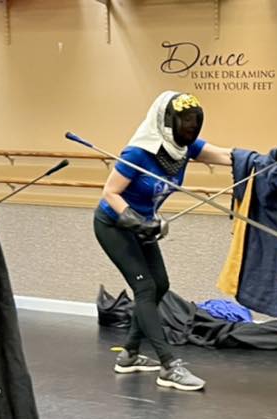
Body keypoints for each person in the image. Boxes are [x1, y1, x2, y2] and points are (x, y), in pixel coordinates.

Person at [94, 91, 234, 392]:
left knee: (160, 284)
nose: (189, 129)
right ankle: (169, 366)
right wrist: (132, 218)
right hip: (114, 225)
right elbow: (110, 192)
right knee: (144, 287)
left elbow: (223, 155)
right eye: (184, 123)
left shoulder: (184, 148)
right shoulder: (138, 153)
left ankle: (129, 355)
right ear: (166, 122)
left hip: (143, 226)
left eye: (193, 124)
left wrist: (258, 160)